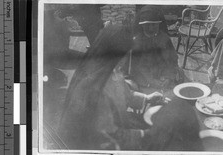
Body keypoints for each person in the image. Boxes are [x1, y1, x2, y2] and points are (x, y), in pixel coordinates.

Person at [57, 25, 203, 151]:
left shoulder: (111, 71)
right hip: (101, 144)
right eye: (124, 55)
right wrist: (146, 135)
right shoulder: (93, 88)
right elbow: (112, 135)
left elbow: (125, 95)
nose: (126, 60)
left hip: (119, 129)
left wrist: (147, 98)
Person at [126, 5, 184, 91]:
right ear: (142, 25)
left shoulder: (164, 39)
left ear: (159, 24)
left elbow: (173, 60)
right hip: (144, 80)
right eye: (147, 25)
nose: (151, 28)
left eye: (154, 25)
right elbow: (135, 67)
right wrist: (151, 81)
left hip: (164, 76)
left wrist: (168, 77)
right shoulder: (137, 42)